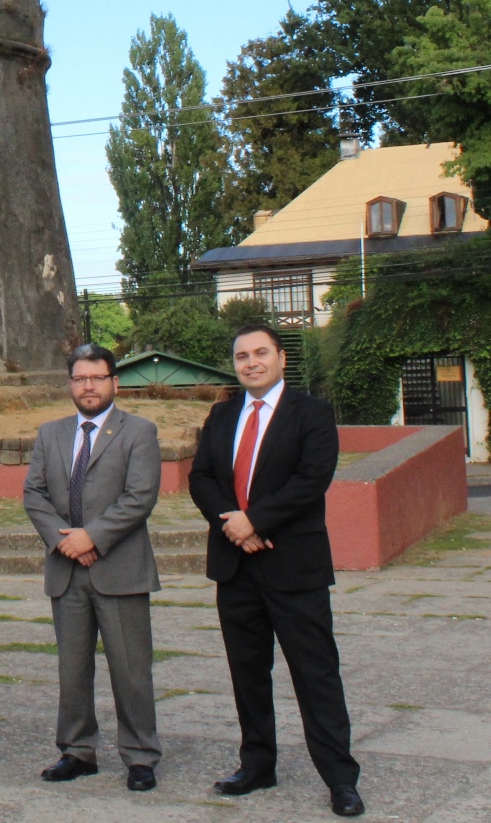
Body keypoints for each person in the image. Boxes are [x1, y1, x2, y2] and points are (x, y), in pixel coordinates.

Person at [188, 324, 364, 818]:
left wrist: (257, 521)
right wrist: (234, 527)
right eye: (242, 355)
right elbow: (200, 477)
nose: (251, 362)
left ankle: (340, 778)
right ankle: (258, 764)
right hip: (235, 567)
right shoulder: (221, 416)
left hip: (294, 567)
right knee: (248, 672)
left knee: (315, 674)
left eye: (261, 353)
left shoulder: (312, 413)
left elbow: (313, 478)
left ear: (282, 358)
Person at [22, 344, 163, 793]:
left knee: (130, 668)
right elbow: (34, 495)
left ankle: (140, 756)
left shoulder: (139, 431)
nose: (88, 386)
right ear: (70, 384)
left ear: (114, 382)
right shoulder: (50, 434)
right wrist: (66, 540)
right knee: (73, 668)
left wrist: (93, 537)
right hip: (67, 570)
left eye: (97, 378)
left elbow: (140, 496)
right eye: (80, 378)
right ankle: (77, 751)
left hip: (119, 568)